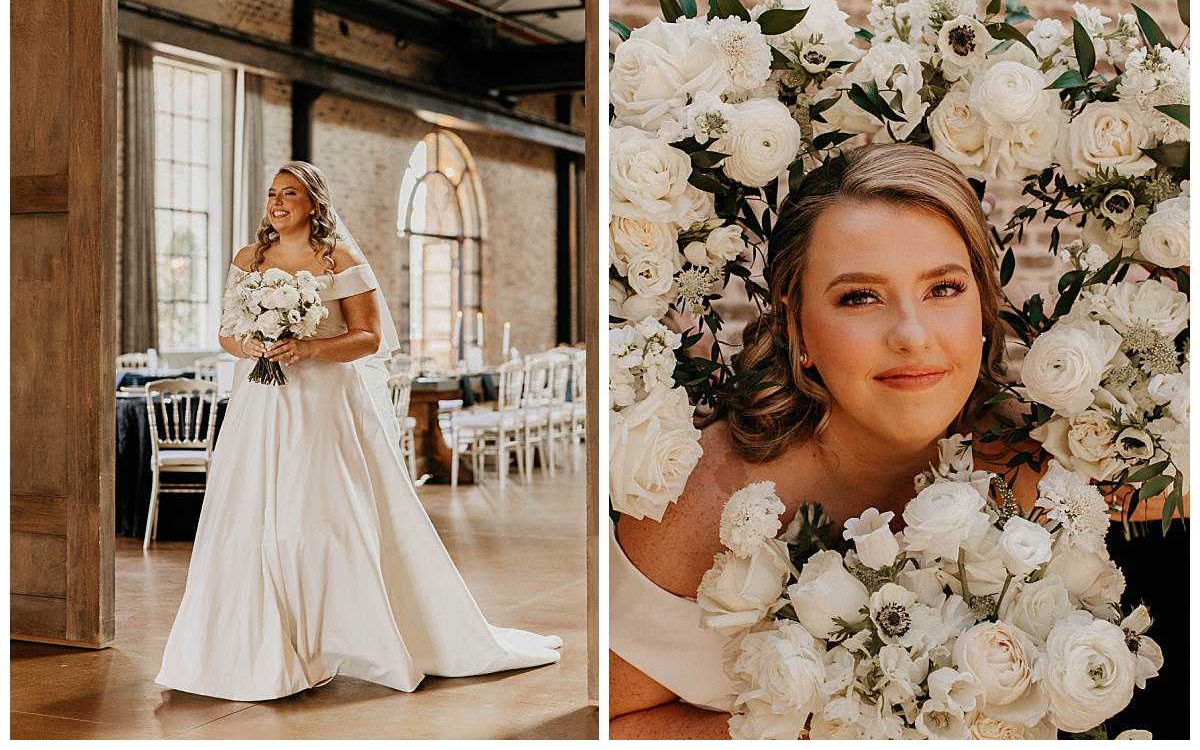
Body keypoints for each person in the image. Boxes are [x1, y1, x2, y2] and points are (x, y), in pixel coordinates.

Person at [609, 144, 1022, 738]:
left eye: (944, 288)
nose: (912, 334)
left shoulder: (1035, 466)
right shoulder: (692, 503)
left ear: (983, 304)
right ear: (796, 320)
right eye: (860, 297)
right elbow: (612, 728)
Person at [156, 161, 561, 701]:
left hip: (320, 403)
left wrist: (309, 348)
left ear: (313, 203)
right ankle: (255, 646)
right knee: (246, 516)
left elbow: (368, 338)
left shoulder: (340, 260)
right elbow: (228, 331)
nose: (277, 203)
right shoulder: (247, 259)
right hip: (257, 399)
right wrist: (250, 346)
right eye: (272, 194)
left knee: (319, 519)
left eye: (289, 194)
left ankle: (340, 637)